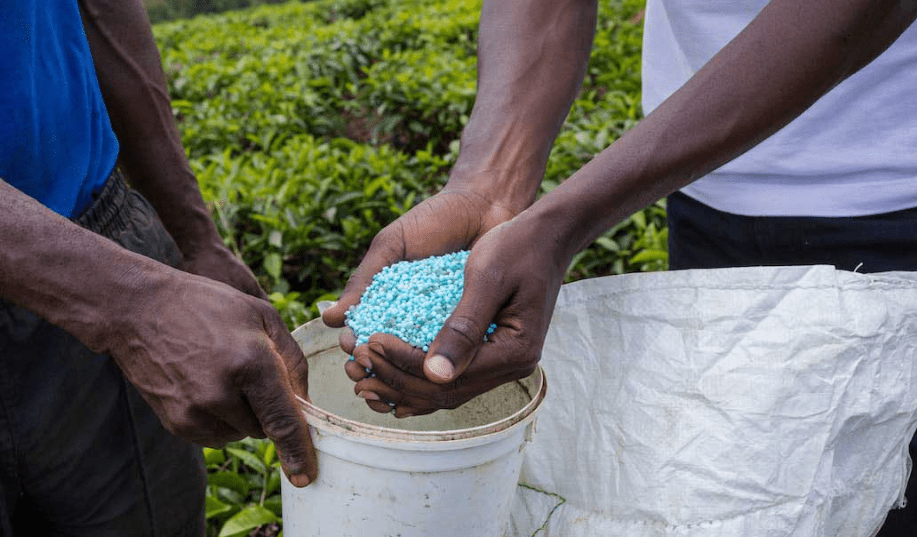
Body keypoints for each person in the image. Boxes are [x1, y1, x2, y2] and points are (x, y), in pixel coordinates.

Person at [321, 0, 917, 532]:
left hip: (893, 203)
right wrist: (488, 188)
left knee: (882, 494)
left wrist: (561, 224)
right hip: (703, 183)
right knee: (733, 480)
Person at [0, 1, 316, 535]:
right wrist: (130, 303)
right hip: (107, 287)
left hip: (96, 235)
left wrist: (195, 240)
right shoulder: (128, 302)